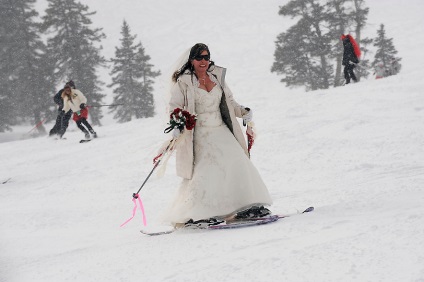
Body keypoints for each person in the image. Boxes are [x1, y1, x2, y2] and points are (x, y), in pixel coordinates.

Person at [162, 43, 272, 228]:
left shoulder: (216, 76)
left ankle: (247, 205)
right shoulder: (184, 82)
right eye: (199, 58)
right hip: (200, 132)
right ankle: (199, 213)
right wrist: (178, 121)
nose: (203, 61)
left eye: (206, 57)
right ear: (191, 60)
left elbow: (229, 101)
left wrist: (243, 111)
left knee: (238, 160)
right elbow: (174, 106)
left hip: (220, 128)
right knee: (207, 169)